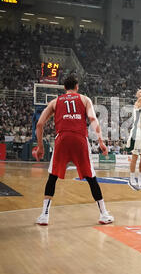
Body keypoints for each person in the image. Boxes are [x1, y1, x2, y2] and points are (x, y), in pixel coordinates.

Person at [35, 74, 114, 225]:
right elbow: (92, 119)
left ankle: (44, 215)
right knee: (91, 177)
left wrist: (40, 147)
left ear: (64, 88)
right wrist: (101, 141)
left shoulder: (54, 101)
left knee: (53, 177)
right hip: (80, 139)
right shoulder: (85, 99)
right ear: (77, 87)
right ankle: (103, 214)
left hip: (62, 139)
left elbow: (39, 124)